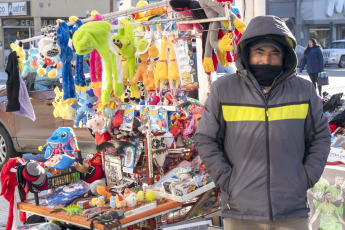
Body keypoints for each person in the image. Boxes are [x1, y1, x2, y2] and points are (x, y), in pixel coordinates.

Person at [195, 15, 331, 229]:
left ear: (284, 56)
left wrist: (305, 178)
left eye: (273, 53)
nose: (266, 61)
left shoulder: (303, 91)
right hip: (241, 211)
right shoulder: (224, 90)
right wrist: (228, 179)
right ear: (247, 53)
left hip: (291, 211)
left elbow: (321, 137)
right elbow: (206, 138)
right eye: (259, 52)